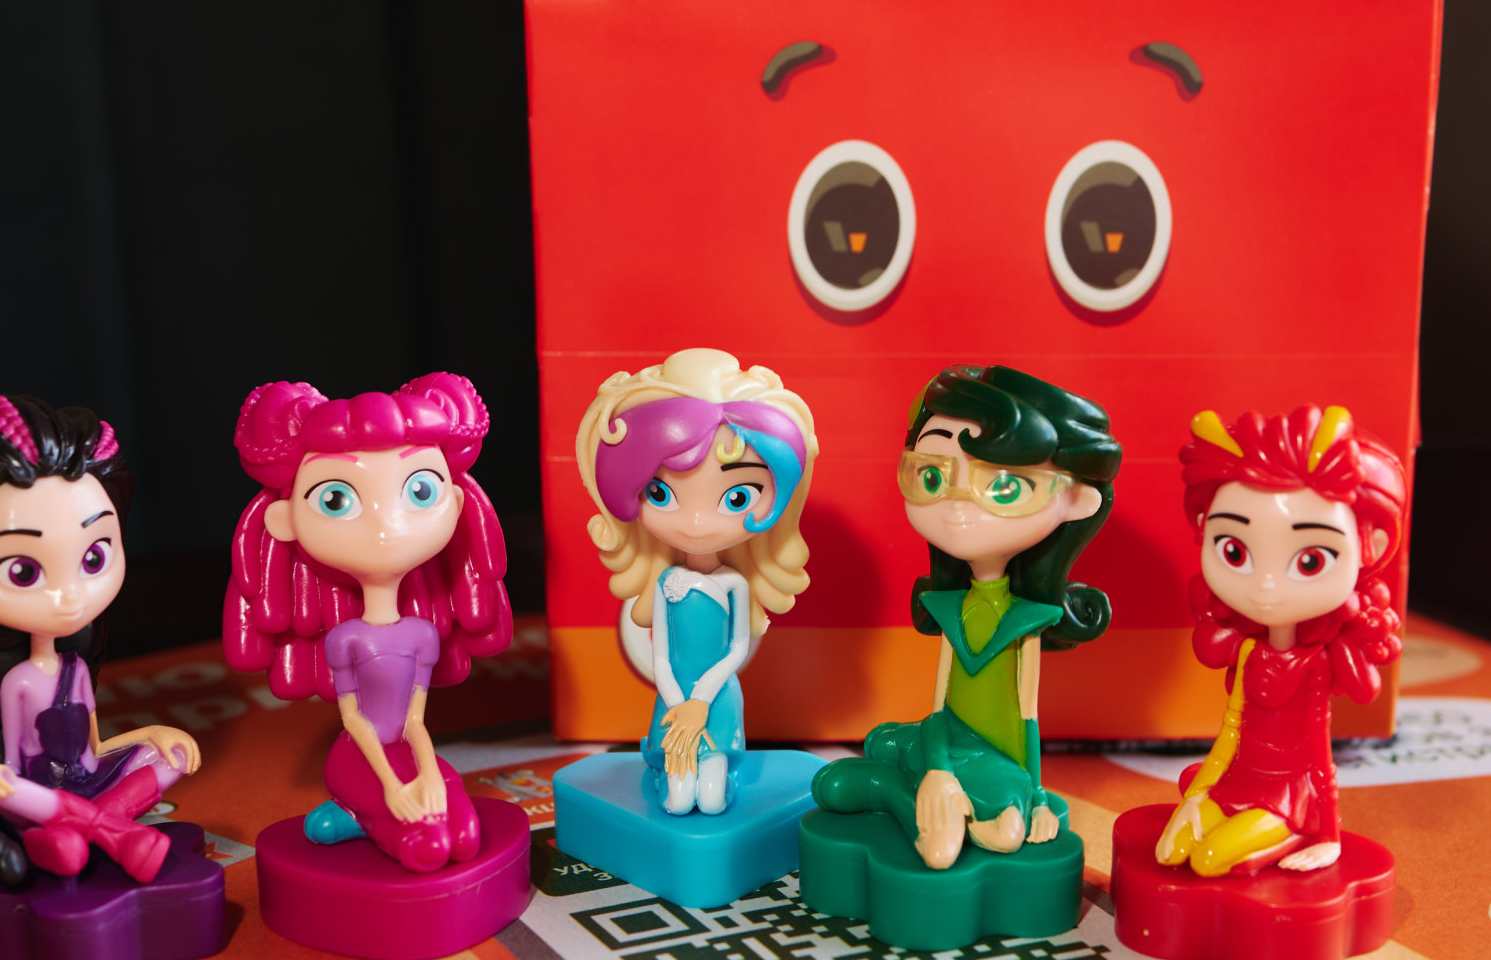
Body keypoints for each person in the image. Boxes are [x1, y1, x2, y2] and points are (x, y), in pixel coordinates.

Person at [0, 392, 199, 885]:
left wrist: (152, 737)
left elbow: (94, 745)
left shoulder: (75, 667)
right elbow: (8, 767)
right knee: (7, 789)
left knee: (171, 757)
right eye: (24, 571)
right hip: (34, 792)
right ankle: (105, 832)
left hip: (84, 784)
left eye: (94, 558)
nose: (69, 597)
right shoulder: (14, 682)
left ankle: (76, 834)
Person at [812, 365, 1116, 869]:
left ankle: (904, 794)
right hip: (943, 744)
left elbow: (1027, 716)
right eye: (932, 477)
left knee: (1002, 822)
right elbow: (940, 706)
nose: (956, 507)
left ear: (1075, 502)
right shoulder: (950, 605)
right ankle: (920, 785)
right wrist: (938, 767)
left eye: (1004, 487)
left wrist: (1038, 796)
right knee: (861, 759)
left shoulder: (1027, 621)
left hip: (999, 765)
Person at [223, 373, 514, 872]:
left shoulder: (422, 635)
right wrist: (394, 787)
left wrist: (426, 774)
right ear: (285, 520)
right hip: (358, 757)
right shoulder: (347, 638)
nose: (385, 524)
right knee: (426, 849)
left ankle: (358, 818)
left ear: (456, 502)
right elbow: (355, 720)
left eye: (420, 490)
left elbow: (415, 721)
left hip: (407, 753)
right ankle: (362, 812)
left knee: (465, 839)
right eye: (336, 499)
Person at [1157, 405, 1404, 877]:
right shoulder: (1249, 650)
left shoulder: (1318, 662)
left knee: (1208, 861)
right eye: (1234, 551)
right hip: (1236, 782)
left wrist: (1327, 834)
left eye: (1310, 561)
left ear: (1367, 545)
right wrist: (1198, 795)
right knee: (1170, 852)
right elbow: (1230, 732)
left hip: (1289, 798)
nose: (1266, 586)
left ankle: (1296, 833)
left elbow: (1320, 752)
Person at [574, 349, 816, 815]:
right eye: (660, 492)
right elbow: (661, 655)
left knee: (712, 798)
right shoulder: (667, 582)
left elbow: (736, 650)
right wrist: (676, 702)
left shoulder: (734, 584)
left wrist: (701, 702)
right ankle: (665, 765)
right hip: (675, 696)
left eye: (738, 496)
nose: (698, 524)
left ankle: (710, 771)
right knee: (679, 800)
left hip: (716, 697)